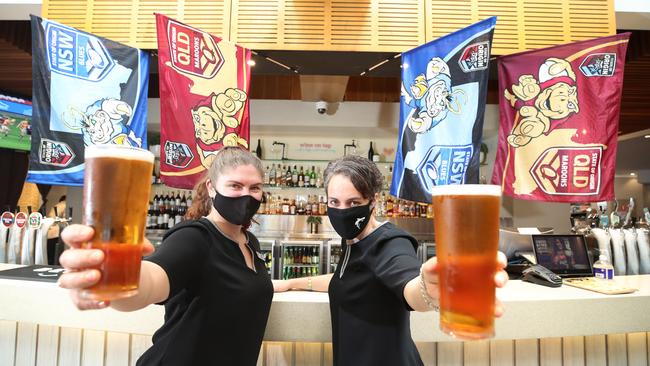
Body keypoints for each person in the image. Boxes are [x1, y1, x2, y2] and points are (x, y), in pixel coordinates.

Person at [273, 155, 508, 366]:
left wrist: (428, 288)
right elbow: (347, 280)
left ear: (373, 201)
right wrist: (291, 283)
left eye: (353, 203)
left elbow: (410, 287)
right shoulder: (353, 239)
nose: (342, 211)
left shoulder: (390, 242)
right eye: (334, 202)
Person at [58, 147, 273, 365]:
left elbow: (244, 282)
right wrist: (108, 276)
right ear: (211, 187)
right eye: (235, 186)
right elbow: (151, 281)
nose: (246, 195)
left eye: (254, 188)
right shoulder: (194, 238)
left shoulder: (249, 242)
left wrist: (304, 282)